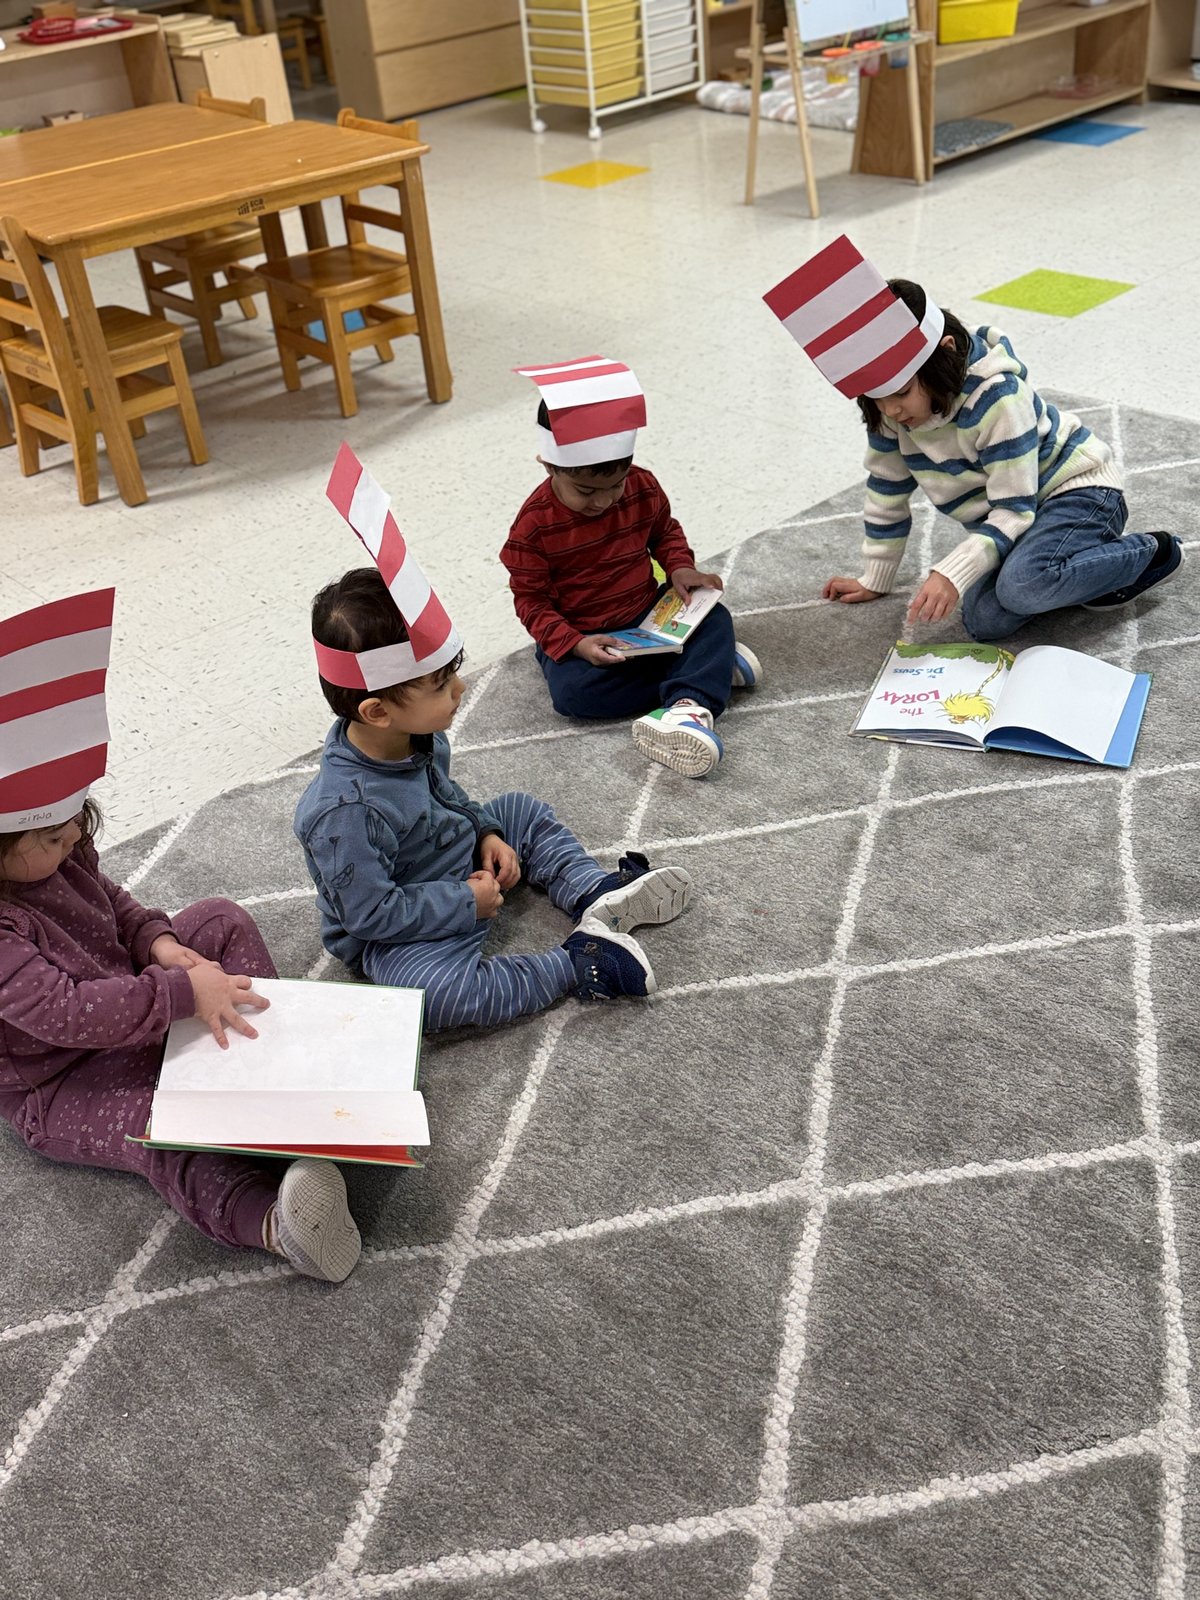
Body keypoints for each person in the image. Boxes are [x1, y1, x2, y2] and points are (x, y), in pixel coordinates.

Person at [0, 590, 361, 1284]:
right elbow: (68, 1015)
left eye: (79, 819)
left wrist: (159, 945)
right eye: (53, 835)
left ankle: (270, 1076)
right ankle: (274, 1221)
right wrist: (177, 991)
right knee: (162, 1129)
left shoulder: (60, 848)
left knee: (218, 916)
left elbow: (114, 906)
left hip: (137, 997)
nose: (77, 836)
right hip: (59, 1079)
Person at [295, 447, 693, 1032]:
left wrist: (482, 829)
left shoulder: (419, 736)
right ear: (377, 710)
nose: (460, 690)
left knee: (520, 811)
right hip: (401, 927)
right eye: (440, 683)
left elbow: (446, 802)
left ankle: (593, 893)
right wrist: (466, 903)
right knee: (433, 1001)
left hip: (458, 862)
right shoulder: (342, 813)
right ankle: (577, 965)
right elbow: (370, 913)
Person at [763, 238, 1182, 640]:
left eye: (903, 393)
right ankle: (1071, 572)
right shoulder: (889, 412)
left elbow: (1015, 510)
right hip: (1013, 517)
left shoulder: (997, 398)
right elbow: (886, 492)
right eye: (877, 398)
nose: (891, 410)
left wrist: (952, 571)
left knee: (1022, 587)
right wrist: (876, 577)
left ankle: (1152, 551)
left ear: (944, 351)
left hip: (1075, 492)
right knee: (984, 621)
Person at [502, 356, 763, 779]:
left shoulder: (641, 485)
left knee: (714, 614)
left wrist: (679, 567)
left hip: (648, 615)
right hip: (585, 636)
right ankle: (700, 674)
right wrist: (575, 644)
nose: (604, 501)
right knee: (572, 697)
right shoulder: (532, 528)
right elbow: (530, 602)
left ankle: (686, 708)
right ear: (549, 465)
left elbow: (664, 533)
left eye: (614, 485)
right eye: (586, 490)